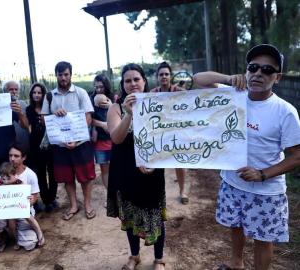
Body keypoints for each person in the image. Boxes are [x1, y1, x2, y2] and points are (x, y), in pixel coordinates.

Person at [193, 44, 300, 270]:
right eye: (253, 67)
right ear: (247, 70)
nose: (259, 73)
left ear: (277, 77)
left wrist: (262, 174)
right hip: (233, 183)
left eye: (267, 70)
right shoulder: (233, 96)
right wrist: (228, 79)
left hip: (266, 191)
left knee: (263, 239)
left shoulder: (285, 111)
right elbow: (198, 78)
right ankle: (236, 264)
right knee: (236, 226)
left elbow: (296, 157)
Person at [107, 63, 166, 270]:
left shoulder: (158, 103)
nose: (132, 84)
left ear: (144, 81)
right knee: (130, 216)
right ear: (122, 85)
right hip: (126, 170)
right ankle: (134, 256)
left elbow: (167, 139)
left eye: (136, 79)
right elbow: (116, 138)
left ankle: (159, 259)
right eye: (127, 80)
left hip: (152, 170)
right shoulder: (115, 108)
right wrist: (128, 114)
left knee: (155, 215)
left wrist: (152, 162)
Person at [41, 61, 96, 221]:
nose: (63, 77)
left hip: (80, 144)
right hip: (60, 145)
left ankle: (87, 204)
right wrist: (54, 114)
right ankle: (73, 205)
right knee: (67, 177)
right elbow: (44, 119)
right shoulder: (49, 96)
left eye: (66, 74)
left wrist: (76, 139)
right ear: (56, 75)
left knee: (86, 177)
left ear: (71, 74)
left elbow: (88, 117)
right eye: (60, 74)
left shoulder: (81, 93)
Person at [0, 143, 41, 251]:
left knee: (29, 244)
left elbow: (35, 196)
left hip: (22, 212)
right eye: (10, 155)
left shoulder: (30, 174)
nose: (12, 159)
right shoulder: (2, 171)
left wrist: (30, 201)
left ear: (24, 157)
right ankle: (3, 237)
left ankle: (24, 234)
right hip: (3, 210)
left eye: (16, 156)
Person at [151, 61, 189, 204]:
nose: (164, 76)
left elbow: (192, 103)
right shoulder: (152, 94)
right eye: (161, 74)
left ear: (170, 76)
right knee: (157, 165)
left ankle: (182, 191)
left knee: (179, 164)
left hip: (177, 134)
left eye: (166, 74)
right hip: (159, 135)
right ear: (157, 77)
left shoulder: (179, 91)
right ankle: (158, 193)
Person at [25, 82, 58, 212]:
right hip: (36, 146)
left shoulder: (50, 108)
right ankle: (46, 200)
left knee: (53, 172)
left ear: (43, 95)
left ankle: (52, 197)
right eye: (34, 92)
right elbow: (28, 127)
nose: (37, 95)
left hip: (50, 144)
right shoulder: (29, 109)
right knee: (41, 174)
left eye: (39, 93)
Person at [90, 74, 113, 201]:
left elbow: (121, 115)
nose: (98, 89)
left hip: (115, 140)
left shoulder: (112, 99)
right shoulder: (91, 99)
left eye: (101, 87)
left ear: (106, 86)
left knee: (117, 168)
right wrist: (102, 124)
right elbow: (88, 119)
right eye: (96, 87)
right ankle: (111, 196)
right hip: (100, 141)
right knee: (105, 170)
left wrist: (111, 106)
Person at [3, 80, 30, 152]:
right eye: (11, 89)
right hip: (8, 147)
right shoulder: (1, 106)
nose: (14, 91)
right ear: (4, 91)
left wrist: (20, 113)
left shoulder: (23, 104)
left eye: (16, 89)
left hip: (24, 145)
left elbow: (27, 125)